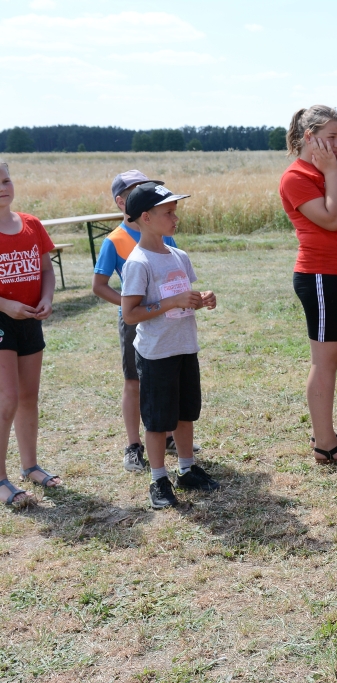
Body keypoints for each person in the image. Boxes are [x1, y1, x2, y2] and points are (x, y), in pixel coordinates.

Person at [279, 105, 337, 463]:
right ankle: (325, 444)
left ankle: (326, 434)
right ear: (310, 137)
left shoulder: (332, 172)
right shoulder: (296, 177)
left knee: (333, 358)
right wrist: (331, 172)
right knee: (324, 361)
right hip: (320, 276)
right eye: (332, 137)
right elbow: (332, 220)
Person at [120, 182, 219, 509]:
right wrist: (172, 302)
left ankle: (187, 470)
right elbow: (130, 314)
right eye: (168, 213)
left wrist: (202, 299)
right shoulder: (139, 262)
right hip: (156, 353)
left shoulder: (179, 256)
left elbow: (183, 299)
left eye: (175, 212)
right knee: (158, 420)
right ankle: (159, 479)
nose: (175, 218)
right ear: (146, 217)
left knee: (185, 413)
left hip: (184, 347)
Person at [93, 170, 196, 472]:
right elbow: (100, 286)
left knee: (169, 386)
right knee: (135, 383)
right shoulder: (115, 240)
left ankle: (170, 438)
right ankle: (133, 445)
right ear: (123, 203)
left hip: (170, 323)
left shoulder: (166, 237)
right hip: (137, 323)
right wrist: (134, 305)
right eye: (138, 191)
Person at [0, 159, 61, 507]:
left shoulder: (32, 224)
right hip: (1, 321)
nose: (2, 188)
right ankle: (0, 479)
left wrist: (47, 298)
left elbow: (46, 270)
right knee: (6, 399)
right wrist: (5, 305)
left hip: (30, 320)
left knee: (27, 397)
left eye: (5, 180)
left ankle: (30, 466)